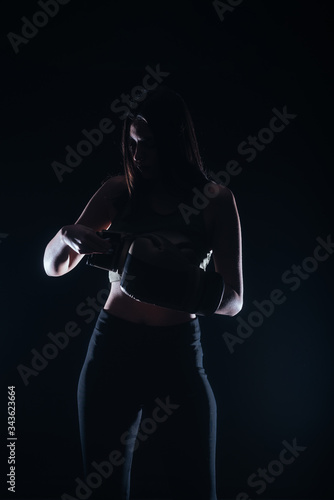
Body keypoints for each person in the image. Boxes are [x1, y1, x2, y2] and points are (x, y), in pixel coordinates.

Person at [43, 86, 243, 500]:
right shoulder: (120, 191)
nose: (138, 155)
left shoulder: (216, 201)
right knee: (101, 490)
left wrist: (173, 282)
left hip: (178, 355)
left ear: (176, 143)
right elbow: (53, 266)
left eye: (149, 146)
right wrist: (67, 236)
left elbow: (235, 300)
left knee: (197, 491)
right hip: (113, 349)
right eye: (132, 144)